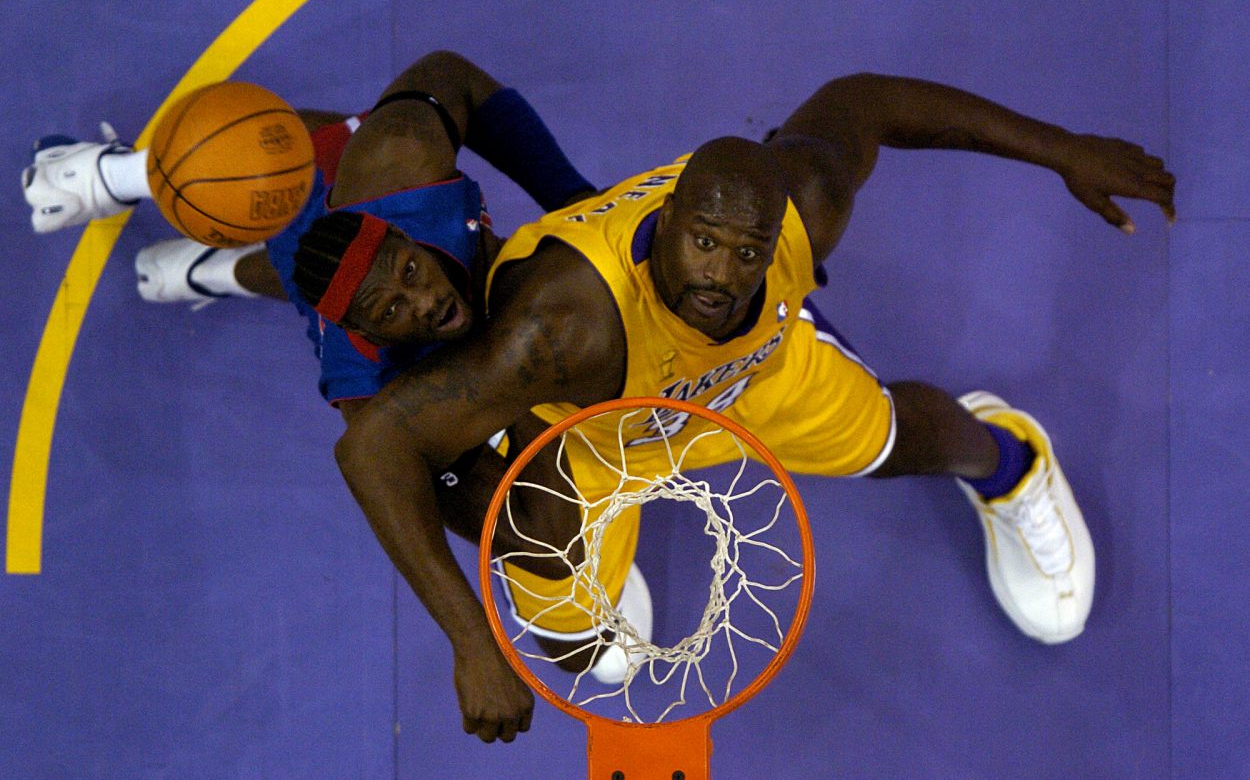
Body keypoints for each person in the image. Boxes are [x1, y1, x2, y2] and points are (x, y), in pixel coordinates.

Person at [312, 72, 1175, 743]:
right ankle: (596, 561)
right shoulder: (557, 331)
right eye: (702, 243)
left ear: (778, 240)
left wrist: (1062, 148)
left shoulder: (803, 204)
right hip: (601, 434)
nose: (721, 277)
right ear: (669, 212)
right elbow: (375, 447)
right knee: (575, 641)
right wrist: (470, 641)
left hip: (756, 383)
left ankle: (1019, 466)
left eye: (746, 252)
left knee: (922, 440)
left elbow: (866, 102)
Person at [22, 51, 649, 732]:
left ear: (398, 229)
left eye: (412, 269)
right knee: (291, 267)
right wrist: (522, 400)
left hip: (334, 189)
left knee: (257, 154)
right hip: (351, 309)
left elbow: (450, 73)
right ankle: (153, 218)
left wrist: (571, 193)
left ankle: (170, 230)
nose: (425, 301)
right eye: (391, 313)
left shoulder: (400, 168)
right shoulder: (371, 387)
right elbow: (493, 521)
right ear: (363, 332)